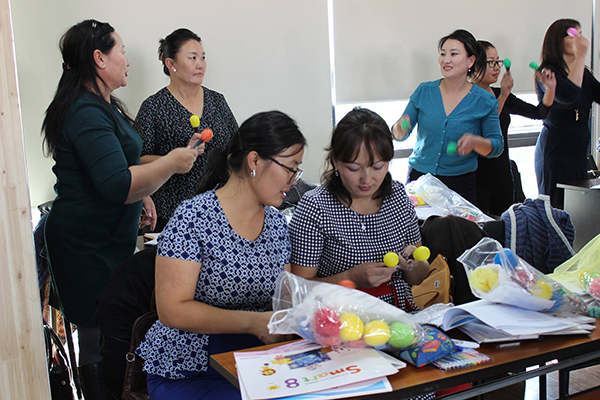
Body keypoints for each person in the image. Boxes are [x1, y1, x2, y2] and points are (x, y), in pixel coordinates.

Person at [41, 19, 200, 399]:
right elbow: (114, 185)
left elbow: (119, 171)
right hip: (85, 245)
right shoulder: (84, 111)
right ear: (99, 58)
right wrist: (172, 164)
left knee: (115, 329)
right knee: (99, 336)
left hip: (109, 236)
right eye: (122, 50)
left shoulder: (104, 104)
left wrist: (144, 188)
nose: (127, 59)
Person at [136, 111, 306, 399]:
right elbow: (172, 310)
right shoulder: (194, 216)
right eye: (290, 167)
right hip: (191, 368)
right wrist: (252, 323)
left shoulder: (277, 223)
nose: (293, 180)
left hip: (259, 361)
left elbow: (284, 299)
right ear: (254, 161)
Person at [289, 108, 429, 312]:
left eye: (378, 167)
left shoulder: (398, 196)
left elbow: (419, 275)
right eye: (354, 169)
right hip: (340, 320)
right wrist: (350, 278)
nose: (366, 179)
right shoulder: (316, 207)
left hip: (400, 319)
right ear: (336, 161)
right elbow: (299, 290)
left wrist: (412, 264)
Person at [135, 28, 238, 231]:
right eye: (192, 58)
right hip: (172, 213)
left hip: (219, 209)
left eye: (203, 57)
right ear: (171, 64)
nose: (200, 64)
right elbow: (137, 159)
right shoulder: (154, 106)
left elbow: (237, 147)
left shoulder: (217, 100)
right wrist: (175, 158)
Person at [392, 29, 504, 205]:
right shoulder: (424, 91)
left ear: (470, 60)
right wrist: (400, 127)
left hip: (460, 184)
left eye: (453, 54)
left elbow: (497, 146)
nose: (446, 60)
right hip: (419, 180)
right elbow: (399, 135)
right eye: (443, 54)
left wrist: (476, 142)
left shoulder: (484, 100)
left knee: (457, 232)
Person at [474, 40, 556, 216]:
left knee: (507, 228)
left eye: (498, 62)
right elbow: (484, 125)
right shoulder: (467, 95)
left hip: (502, 173)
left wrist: (550, 90)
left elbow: (538, 112)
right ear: (473, 63)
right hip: (477, 176)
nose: (497, 68)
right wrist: (503, 96)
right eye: (491, 63)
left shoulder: (498, 93)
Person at [535, 19, 600, 208]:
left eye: (580, 34)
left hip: (579, 154)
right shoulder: (547, 72)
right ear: (557, 40)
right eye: (573, 34)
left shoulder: (584, 74)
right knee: (557, 209)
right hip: (556, 153)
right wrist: (581, 56)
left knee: (577, 210)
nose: (579, 39)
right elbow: (568, 95)